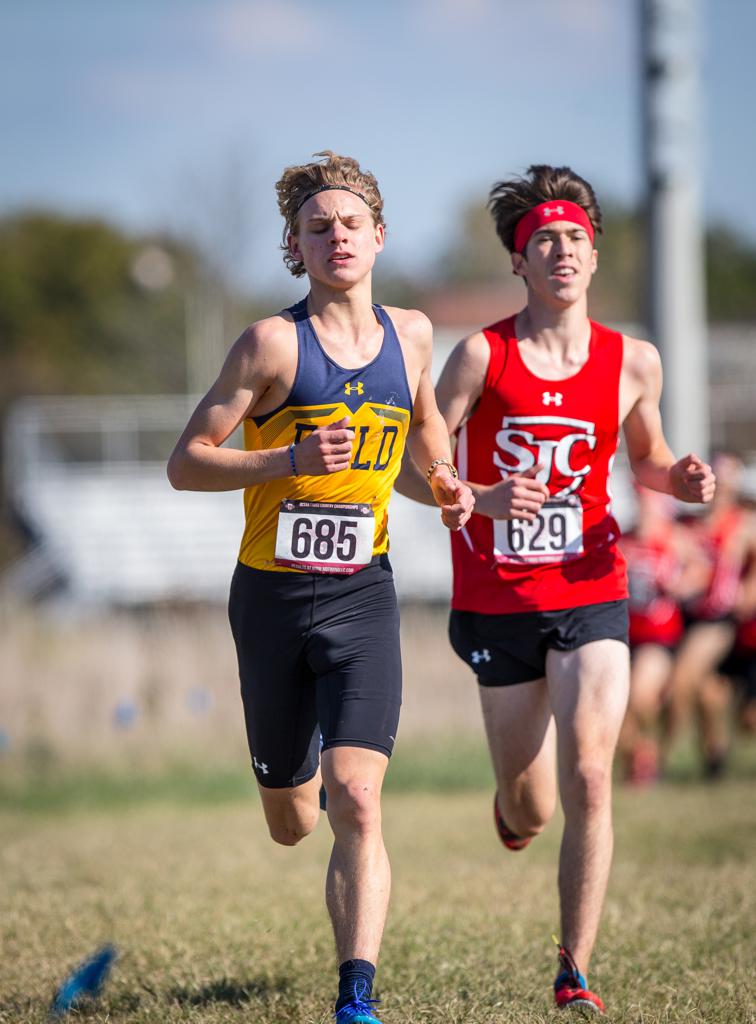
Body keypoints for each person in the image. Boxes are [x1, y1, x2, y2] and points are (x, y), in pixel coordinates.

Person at [396, 164, 715, 1014]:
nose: (561, 249)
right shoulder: (482, 356)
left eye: (574, 236)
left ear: (595, 252)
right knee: (531, 802)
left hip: (590, 586)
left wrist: (674, 477)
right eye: (544, 239)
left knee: (591, 773)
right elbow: (409, 469)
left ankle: (574, 969)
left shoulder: (632, 360)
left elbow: (643, 456)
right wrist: (475, 496)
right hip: (498, 598)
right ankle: (512, 811)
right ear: (519, 261)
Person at [167, 151, 474, 1024]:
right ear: (295, 249)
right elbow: (186, 463)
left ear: (379, 236)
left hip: (362, 595)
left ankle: (356, 998)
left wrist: (446, 485)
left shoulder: (412, 333)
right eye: (317, 227)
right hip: (269, 600)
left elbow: (418, 450)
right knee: (293, 819)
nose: (336, 236)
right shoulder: (272, 344)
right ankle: (285, 776)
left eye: (350, 223)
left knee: (360, 798)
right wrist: (286, 458)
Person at [665, 453, 756, 776]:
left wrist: (749, 589)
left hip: (721, 621)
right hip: (686, 617)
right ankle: (714, 757)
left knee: (683, 681)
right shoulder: (689, 524)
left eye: (728, 479)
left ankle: (662, 754)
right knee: (709, 692)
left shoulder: (744, 523)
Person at [617, 486, 706, 784]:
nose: (643, 509)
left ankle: (651, 750)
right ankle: (640, 757)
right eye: (639, 501)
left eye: (648, 502)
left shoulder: (674, 538)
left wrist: (680, 585)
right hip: (625, 634)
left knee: (640, 694)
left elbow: (701, 570)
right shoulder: (623, 539)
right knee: (617, 704)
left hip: (660, 637)